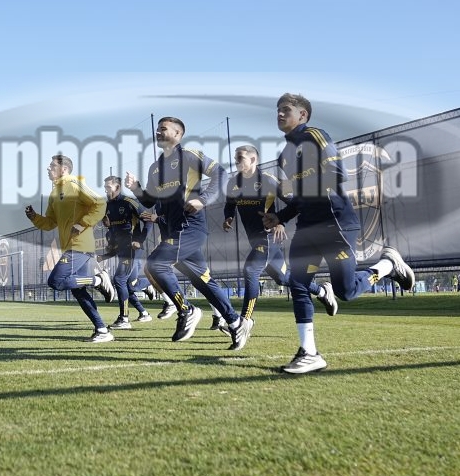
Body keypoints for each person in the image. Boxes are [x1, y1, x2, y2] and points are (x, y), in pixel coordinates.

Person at [262, 93, 415, 374]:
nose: (280, 114)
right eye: (278, 110)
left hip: (336, 224)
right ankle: (309, 353)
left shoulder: (315, 136)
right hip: (307, 228)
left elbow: (337, 173)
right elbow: (300, 198)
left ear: (303, 115)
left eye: (286, 110)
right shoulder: (284, 156)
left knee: (346, 291)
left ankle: (387, 266)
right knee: (297, 284)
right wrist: (279, 217)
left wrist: (302, 190)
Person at [125, 116, 253, 350]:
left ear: (178, 134)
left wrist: (203, 200)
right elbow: (150, 200)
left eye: (163, 129)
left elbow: (220, 173)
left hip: (190, 227)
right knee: (203, 281)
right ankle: (236, 323)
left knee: (156, 264)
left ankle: (186, 310)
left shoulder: (189, 156)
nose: (158, 132)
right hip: (173, 231)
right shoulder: (155, 167)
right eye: (157, 129)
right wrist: (135, 187)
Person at [216, 144, 336, 334]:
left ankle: (244, 321)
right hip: (254, 240)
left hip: (268, 237)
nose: (236, 161)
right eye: (235, 158)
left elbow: (296, 203)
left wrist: (281, 221)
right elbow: (230, 205)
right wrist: (228, 217)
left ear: (253, 159)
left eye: (240, 158)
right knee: (283, 278)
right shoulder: (233, 183)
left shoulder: (269, 180)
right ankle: (322, 291)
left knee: (251, 270)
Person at [25, 154, 115, 343]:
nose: (48, 169)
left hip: (80, 246)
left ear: (64, 169)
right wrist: (34, 217)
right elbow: (50, 223)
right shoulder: (54, 194)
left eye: (52, 166)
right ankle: (102, 330)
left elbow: (100, 203)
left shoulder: (74, 184)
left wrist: (83, 224)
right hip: (71, 247)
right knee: (78, 290)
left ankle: (98, 280)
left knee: (56, 282)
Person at [98, 176, 154, 329]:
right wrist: (107, 251)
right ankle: (144, 311)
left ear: (117, 187)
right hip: (122, 251)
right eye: (105, 187)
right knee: (128, 286)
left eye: (108, 187)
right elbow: (113, 230)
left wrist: (139, 240)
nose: (106, 190)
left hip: (132, 249)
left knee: (119, 280)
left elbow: (149, 220)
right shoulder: (107, 206)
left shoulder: (129, 202)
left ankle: (124, 319)